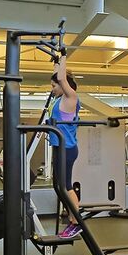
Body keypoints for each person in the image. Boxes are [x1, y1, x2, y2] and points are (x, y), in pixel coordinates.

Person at [49, 55, 82, 238]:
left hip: (66, 148)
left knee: (65, 186)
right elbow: (58, 77)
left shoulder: (70, 98)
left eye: (54, 87)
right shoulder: (60, 99)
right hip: (59, 146)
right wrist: (56, 62)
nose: (52, 89)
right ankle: (72, 217)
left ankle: (76, 222)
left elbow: (61, 78)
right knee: (58, 185)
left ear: (64, 86)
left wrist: (63, 56)